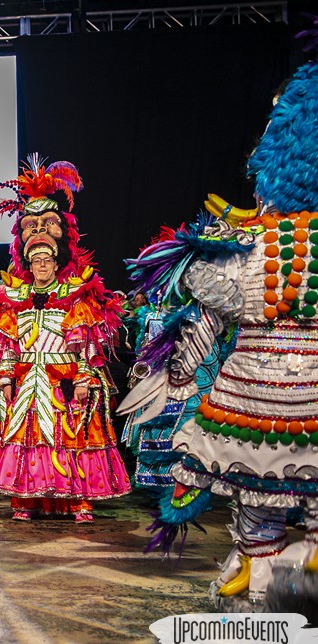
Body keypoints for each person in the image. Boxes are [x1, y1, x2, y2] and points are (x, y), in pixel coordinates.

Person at [122, 55, 318, 611]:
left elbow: (210, 310)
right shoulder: (252, 242)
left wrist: (180, 368)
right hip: (291, 400)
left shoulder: (246, 246)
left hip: (249, 402)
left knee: (256, 497)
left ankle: (261, 574)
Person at [0, 155, 131, 523]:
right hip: (28, 381)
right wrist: (3, 376)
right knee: (28, 439)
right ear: (28, 264)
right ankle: (27, 499)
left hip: (62, 380)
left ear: (56, 257)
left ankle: (75, 498)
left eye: (47, 260)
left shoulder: (75, 297)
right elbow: (8, 347)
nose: (42, 265)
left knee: (71, 437)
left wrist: (82, 379)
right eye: (36, 261)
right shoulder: (13, 301)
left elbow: (87, 347)